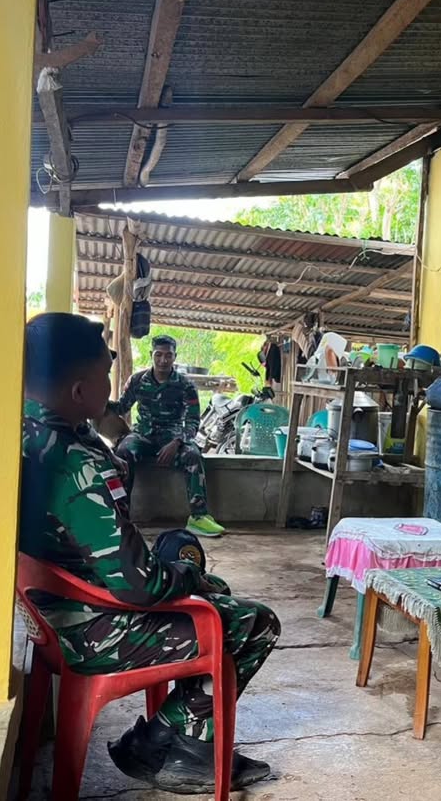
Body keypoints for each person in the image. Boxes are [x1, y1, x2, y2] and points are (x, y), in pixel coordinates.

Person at [19, 313, 280, 793]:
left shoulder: (26, 431)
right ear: (78, 390)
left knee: (211, 591)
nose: (111, 388)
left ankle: (183, 741)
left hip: (52, 612)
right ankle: (165, 739)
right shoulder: (75, 463)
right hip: (91, 627)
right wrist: (187, 574)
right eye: (105, 376)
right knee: (253, 622)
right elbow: (140, 585)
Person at [113, 334, 225, 538]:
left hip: (172, 436)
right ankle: (121, 516)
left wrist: (177, 442)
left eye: (168, 355)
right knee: (122, 453)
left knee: (193, 455)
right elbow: (121, 407)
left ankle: (198, 517)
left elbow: (193, 421)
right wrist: (94, 402)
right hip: (143, 435)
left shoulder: (185, 385)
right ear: (151, 354)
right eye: (158, 354)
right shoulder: (137, 380)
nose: (163, 360)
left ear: (175, 357)